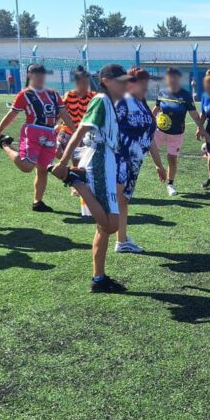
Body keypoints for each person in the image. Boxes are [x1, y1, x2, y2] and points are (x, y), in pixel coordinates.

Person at [51, 64, 130, 293]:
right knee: (110, 225)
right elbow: (80, 131)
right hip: (99, 159)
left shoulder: (111, 103)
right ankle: (76, 181)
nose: (125, 85)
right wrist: (63, 163)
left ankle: (99, 279)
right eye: (120, 81)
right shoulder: (101, 100)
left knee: (104, 228)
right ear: (106, 81)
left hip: (106, 159)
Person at [0, 63, 75, 212]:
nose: (40, 77)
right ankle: (5, 144)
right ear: (30, 76)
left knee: (43, 170)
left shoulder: (53, 94)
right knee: (27, 166)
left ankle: (37, 202)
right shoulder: (25, 94)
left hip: (50, 134)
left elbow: (64, 114)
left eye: (42, 74)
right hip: (33, 131)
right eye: (37, 74)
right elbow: (12, 114)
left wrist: (76, 132)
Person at [114, 67, 167, 253]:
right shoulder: (122, 101)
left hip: (135, 162)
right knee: (115, 200)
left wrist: (159, 165)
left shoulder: (142, 104)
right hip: (119, 158)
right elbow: (107, 127)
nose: (145, 85)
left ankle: (122, 241)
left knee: (123, 201)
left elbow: (149, 138)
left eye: (146, 82)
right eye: (141, 82)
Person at [152, 67, 207, 196]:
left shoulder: (186, 95)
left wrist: (201, 128)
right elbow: (156, 108)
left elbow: (194, 115)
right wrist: (147, 120)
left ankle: (170, 184)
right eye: (169, 77)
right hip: (159, 131)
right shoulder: (162, 93)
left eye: (174, 77)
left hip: (176, 134)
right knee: (144, 150)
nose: (172, 79)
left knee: (172, 159)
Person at [56, 66, 96, 197]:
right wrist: (53, 126)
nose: (84, 84)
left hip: (83, 134)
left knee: (77, 159)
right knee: (58, 152)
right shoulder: (69, 95)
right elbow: (60, 112)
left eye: (86, 81)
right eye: (81, 81)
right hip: (67, 131)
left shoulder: (93, 96)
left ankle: (75, 185)